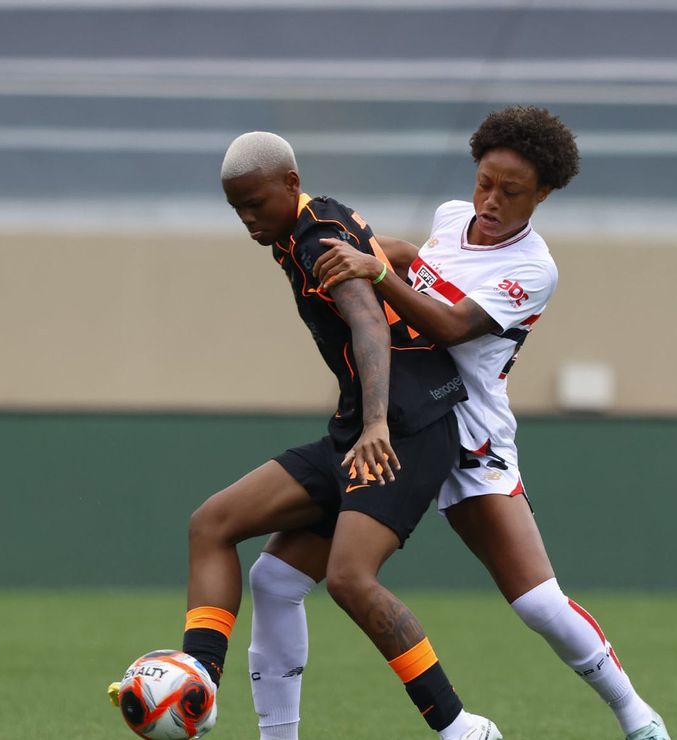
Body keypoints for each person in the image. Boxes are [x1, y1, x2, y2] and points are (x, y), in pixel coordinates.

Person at [246, 107, 673, 740]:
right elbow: (415, 262)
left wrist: (376, 271)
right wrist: (370, 252)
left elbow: (449, 325)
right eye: (484, 182)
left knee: (538, 603)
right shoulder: (452, 218)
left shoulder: (533, 268)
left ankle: (638, 717)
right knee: (277, 578)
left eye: (512, 191)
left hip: (471, 437)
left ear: (543, 194)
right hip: (407, 424)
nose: (491, 200)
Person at [109, 132, 501, 740]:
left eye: (255, 203)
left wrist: (376, 423)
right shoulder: (310, 224)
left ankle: (462, 729)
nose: (247, 218)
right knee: (220, 531)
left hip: (406, 430)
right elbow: (383, 255)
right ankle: (199, 681)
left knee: (349, 579)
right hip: (358, 429)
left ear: (291, 184)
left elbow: (369, 323)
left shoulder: (316, 238)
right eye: (237, 208)